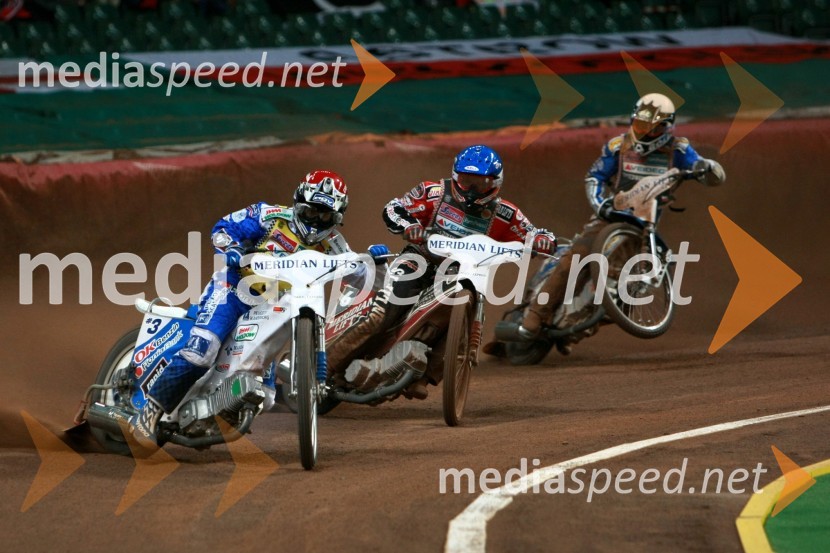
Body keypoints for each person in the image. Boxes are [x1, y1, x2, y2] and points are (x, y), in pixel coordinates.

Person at [129, 170, 389, 448]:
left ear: (336, 218)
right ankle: (148, 414)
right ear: (297, 203)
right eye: (310, 211)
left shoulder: (335, 245)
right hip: (234, 290)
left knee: (265, 395)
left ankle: (217, 411)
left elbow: (369, 282)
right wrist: (231, 249)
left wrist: (377, 263)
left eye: (324, 216)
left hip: (274, 308)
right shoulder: (269, 216)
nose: (315, 221)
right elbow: (224, 227)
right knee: (202, 352)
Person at [326, 145, 556, 398]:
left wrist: (543, 240)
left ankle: (420, 375)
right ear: (455, 177)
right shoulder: (433, 192)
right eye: (466, 181)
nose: (471, 191)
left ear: (495, 184)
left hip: (464, 275)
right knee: (384, 310)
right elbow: (394, 208)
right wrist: (409, 225)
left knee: (463, 328)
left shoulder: (506, 213)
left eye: (480, 184)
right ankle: (326, 368)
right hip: (419, 261)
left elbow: (534, 232)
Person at [517, 92, 726, 343]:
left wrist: (707, 168)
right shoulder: (618, 146)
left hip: (645, 224)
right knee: (577, 255)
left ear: (667, 127)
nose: (646, 133)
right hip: (611, 217)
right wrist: (601, 205)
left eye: (654, 128)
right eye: (641, 125)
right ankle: (537, 313)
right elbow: (595, 177)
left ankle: (581, 326)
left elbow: (711, 174)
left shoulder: (678, 149)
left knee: (628, 288)